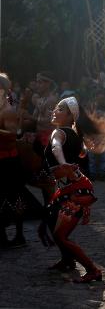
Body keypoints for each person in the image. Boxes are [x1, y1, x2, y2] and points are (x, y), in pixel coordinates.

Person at [41, 96, 104, 281]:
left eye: (60, 109)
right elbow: (81, 152)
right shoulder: (75, 135)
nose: (55, 110)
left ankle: (93, 270)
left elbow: (55, 148)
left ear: (70, 117)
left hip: (75, 191)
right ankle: (67, 260)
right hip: (71, 189)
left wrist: (62, 164)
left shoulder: (59, 133)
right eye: (56, 108)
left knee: (60, 236)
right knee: (53, 223)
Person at [0, 72, 26, 247]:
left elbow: (13, 136)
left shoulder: (7, 111)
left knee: (14, 198)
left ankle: (19, 236)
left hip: (8, 161)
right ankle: (2, 237)